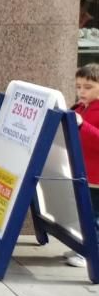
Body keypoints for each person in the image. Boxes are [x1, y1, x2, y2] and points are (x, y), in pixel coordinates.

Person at [65, 63, 99, 267]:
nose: (81, 91)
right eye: (78, 86)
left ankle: (92, 254)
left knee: (93, 217)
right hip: (84, 173)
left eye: (87, 87)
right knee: (84, 213)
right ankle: (86, 247)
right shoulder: (81, 108)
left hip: (96, 178)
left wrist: (81, 124)